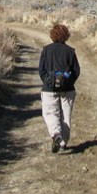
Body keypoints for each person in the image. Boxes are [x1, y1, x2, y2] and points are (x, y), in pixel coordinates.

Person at [38, 24, 80, 153]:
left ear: (52, 35)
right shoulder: (70, 51)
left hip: (49, 90)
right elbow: (76, 71)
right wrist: (68, 82)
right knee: (65, 116)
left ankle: (56, 134)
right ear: (66, 36)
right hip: (68, 89)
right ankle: (63, 144)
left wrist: (49, 82)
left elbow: (41, 71)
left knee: (50, 113)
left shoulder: (46, 50)